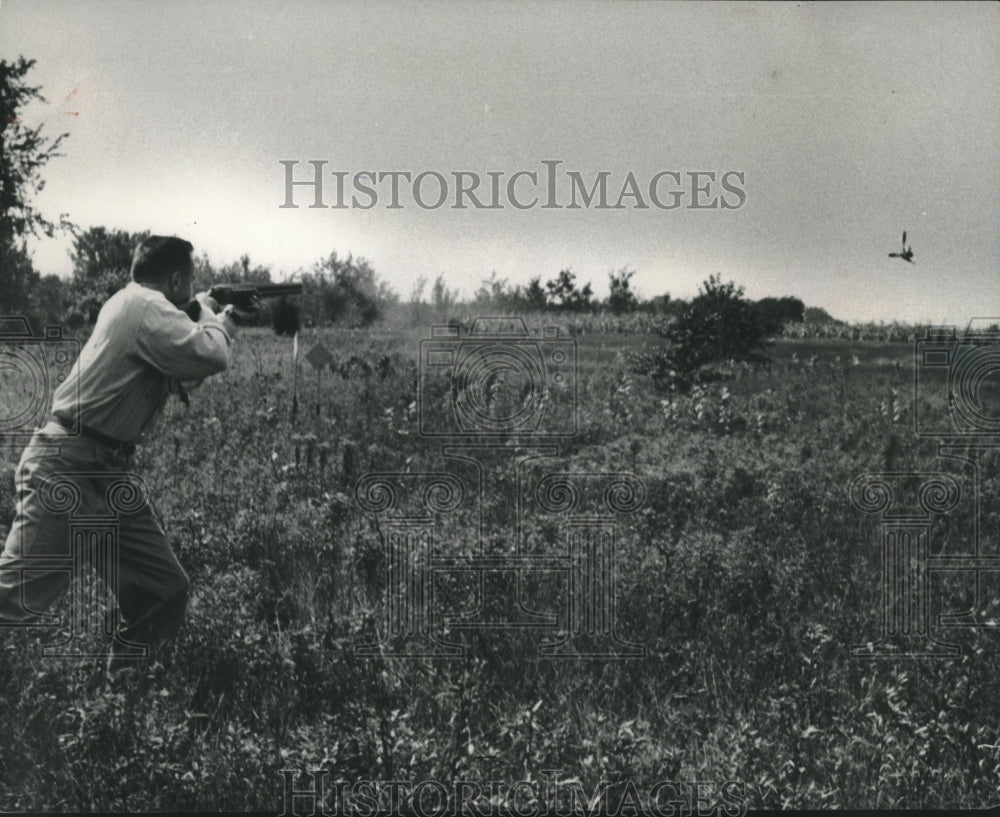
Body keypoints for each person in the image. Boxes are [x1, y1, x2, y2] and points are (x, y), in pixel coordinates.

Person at [0, 235, 255, 673]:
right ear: (176, 279)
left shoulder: (137, 308)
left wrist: (217, 318)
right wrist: (216, 317)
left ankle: (124, 706)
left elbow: (185, 374)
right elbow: (210, 354)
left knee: (163, 587)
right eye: (188, 282)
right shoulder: (143, 306)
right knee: (14, 599)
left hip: (105, 471)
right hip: (67, 467)